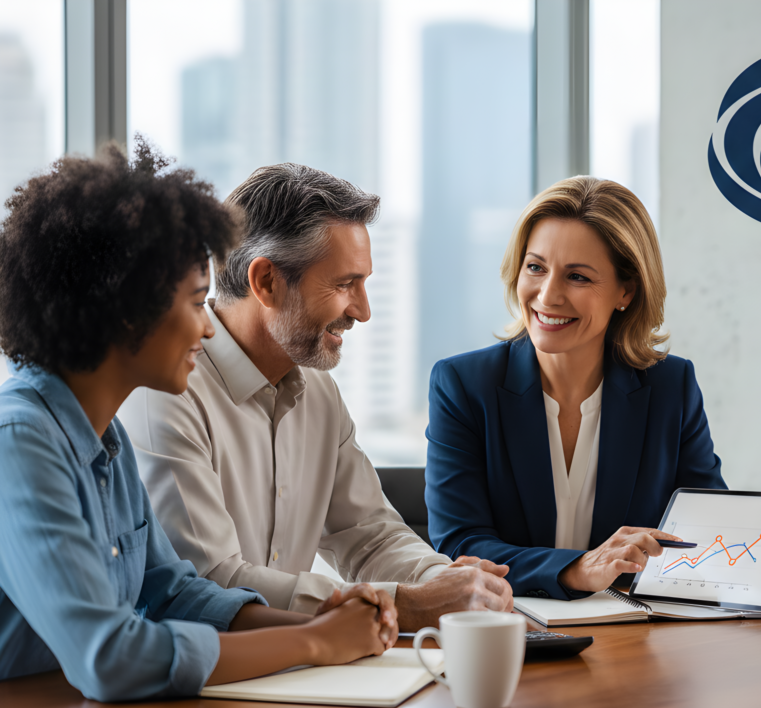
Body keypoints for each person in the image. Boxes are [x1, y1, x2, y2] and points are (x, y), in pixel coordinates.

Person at [0, 142, 398, 701]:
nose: (209, 329)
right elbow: (110, 657)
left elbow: (177, 596)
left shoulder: (104, 439)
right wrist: (316, 643)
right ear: (124, 312)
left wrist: (328, 623)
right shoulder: (19, 442)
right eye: (194, 303)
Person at [120, 163, 513, 630]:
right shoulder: (164, 391)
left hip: (290, 669)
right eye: (345, 284)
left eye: (364, 283)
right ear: (265, 282)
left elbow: (370, 536)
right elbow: (211, 584)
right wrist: (403, 604)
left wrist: (449, 582)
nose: (363, 312)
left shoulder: (318, 392)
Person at [424, 176, 761, 600]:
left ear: (625, 290)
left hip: (633, 639)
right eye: (535, 267)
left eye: (577, 276)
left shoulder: (671, 387)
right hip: (512, 633)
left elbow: (702, 531)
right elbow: (461, 546)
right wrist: (578, 568)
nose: (547, 295)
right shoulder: (463, 385)